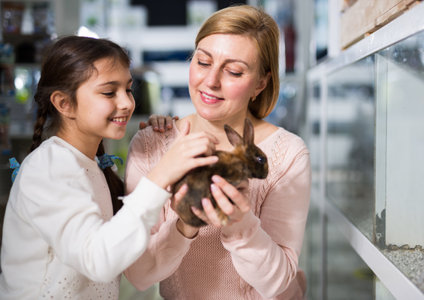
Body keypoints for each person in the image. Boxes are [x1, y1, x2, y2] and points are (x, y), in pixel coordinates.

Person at [0, 36, 218, 299]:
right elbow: (98, 261)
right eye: (108, 92)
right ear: (63, 103)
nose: (126, 103)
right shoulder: (49, 166)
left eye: (128, 89)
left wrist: (186, 223)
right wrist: (161, 174)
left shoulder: (89, 165)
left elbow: (133, 265)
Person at [124, 4, 311, 299]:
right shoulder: (152, 144)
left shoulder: (287, 154)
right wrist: (185, 223)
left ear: (260, 83)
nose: (210, 81)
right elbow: (138, 274)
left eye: (234, 71)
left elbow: (277, 282)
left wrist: (241, 224)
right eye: (202, 61)